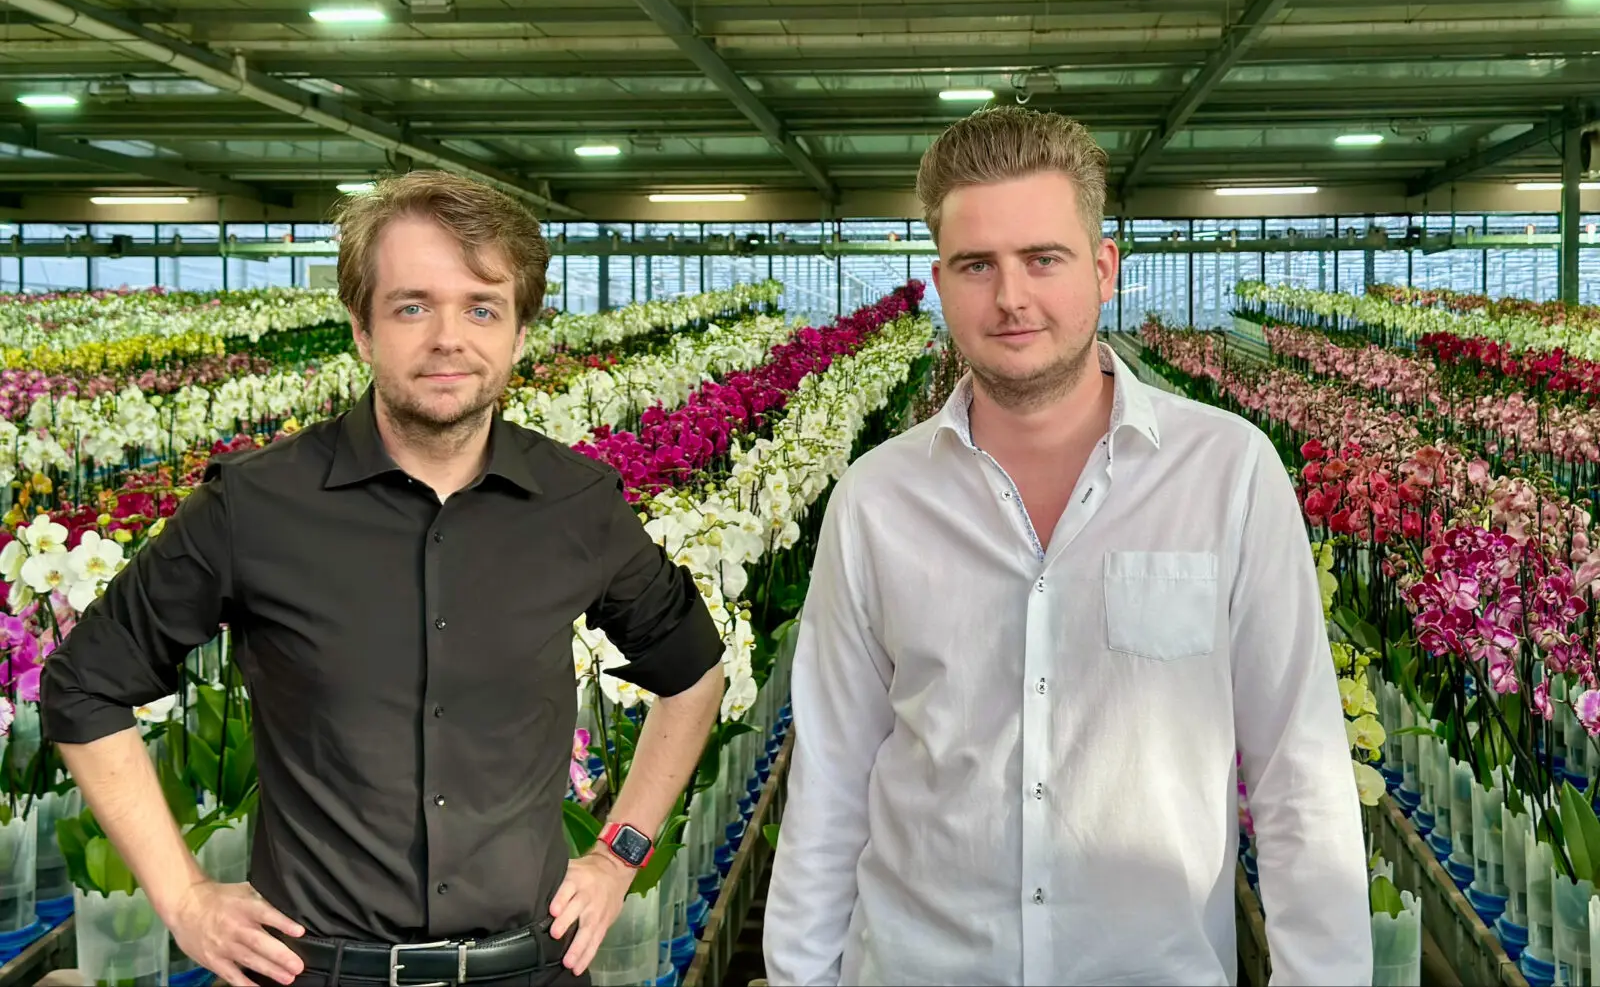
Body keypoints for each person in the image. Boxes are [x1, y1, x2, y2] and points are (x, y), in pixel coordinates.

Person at [41, 171, 725, 987]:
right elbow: (84, 683)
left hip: (530, 967)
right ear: (362, 329)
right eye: (411, 306)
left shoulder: (577, 503)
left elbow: (694, 670)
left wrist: (620, 853)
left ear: (519, 332)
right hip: (314, 971)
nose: (448, 338)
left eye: (482, 308)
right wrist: (184, 897)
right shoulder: (254, 505)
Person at [763, 107, 1370, 986]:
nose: (1011, 297)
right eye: (977, 264)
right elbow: (828, 780)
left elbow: (1299, 772)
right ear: (939, 283)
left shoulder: (1228, 475)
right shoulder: (876, 500)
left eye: (1043, 258)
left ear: (1103, 268)